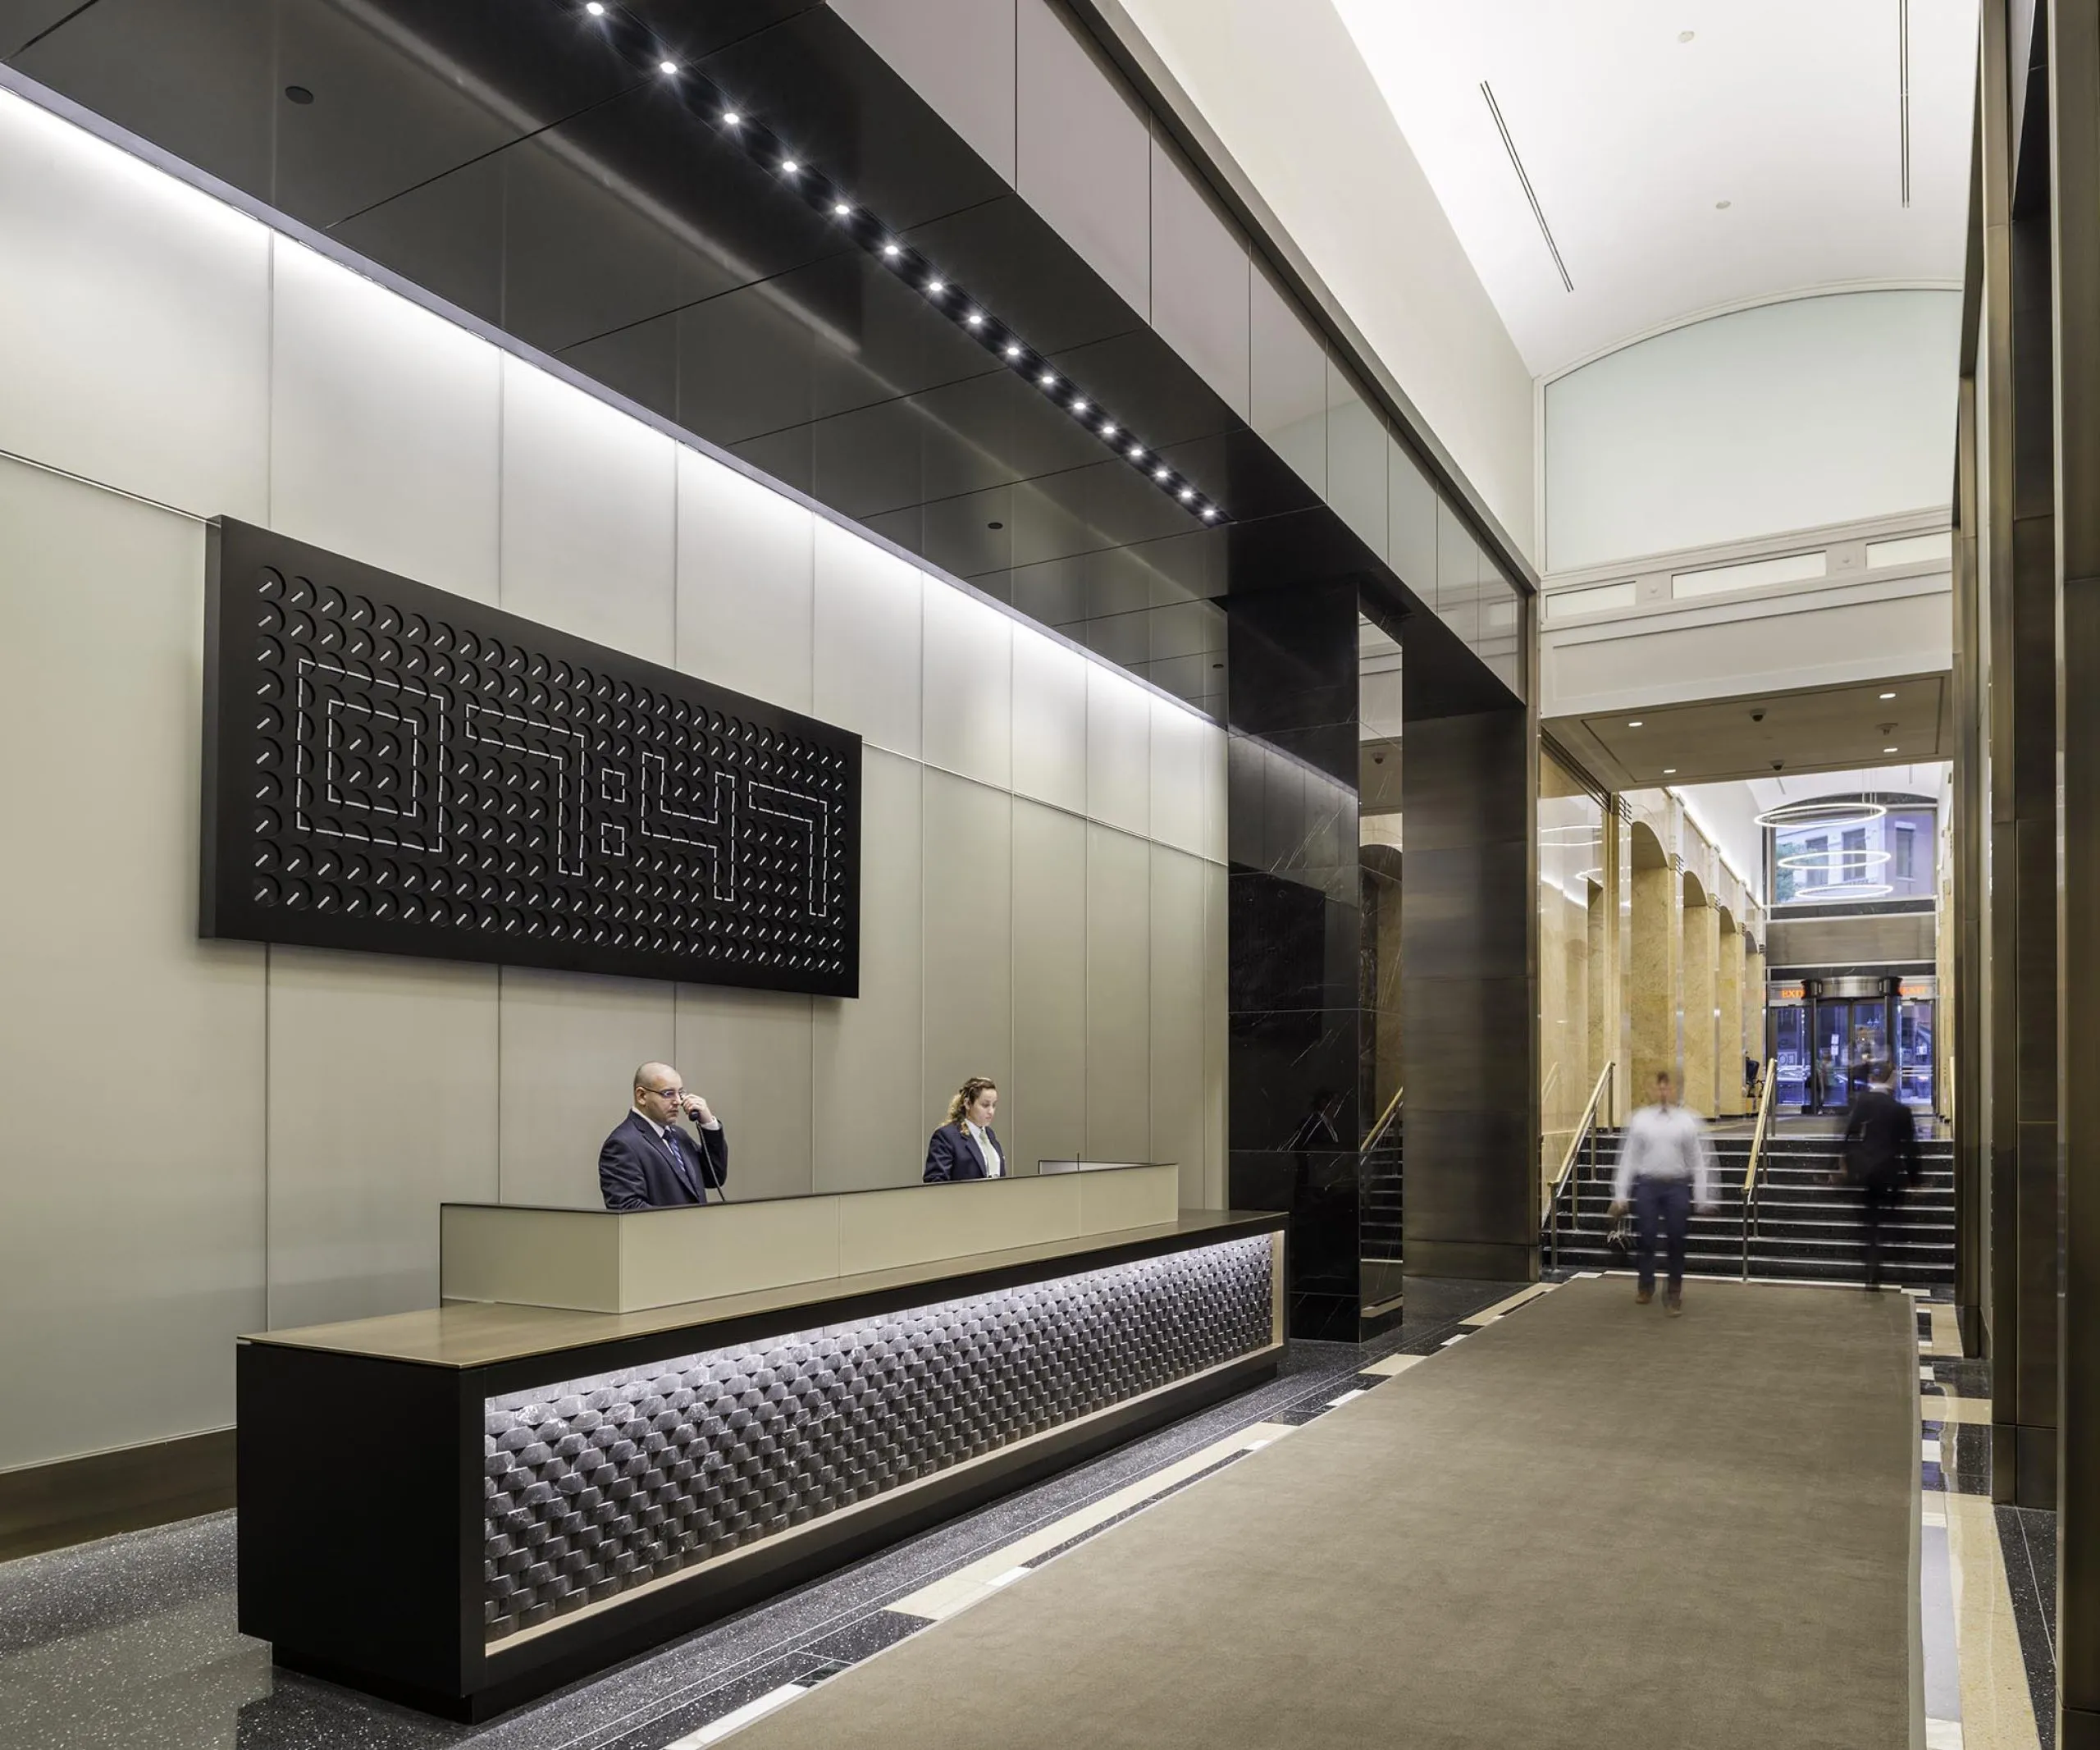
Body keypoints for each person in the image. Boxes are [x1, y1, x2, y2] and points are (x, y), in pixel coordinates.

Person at [1607, 1069, 1717, 1315]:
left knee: (1676, 1239)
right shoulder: (1639, 1119)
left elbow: (1700, 1160)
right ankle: (1646, 1284)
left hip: (1677, 1186)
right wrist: (1620, 1195)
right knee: (1646, 1236)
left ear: (1676, 1090)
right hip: (1648, 1185)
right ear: (1651, 1090)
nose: (1664, 1092)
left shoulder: (1689, 1120)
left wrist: (1703, 1197)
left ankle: (1674, 1292)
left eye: (1668, 1087)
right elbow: (1627, 1159)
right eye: (1659, 1087)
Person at [1837, 1062, 1921, 1290]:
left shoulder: (1863, 1104)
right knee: (1888, 1219)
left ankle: (1872, 1267)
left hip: (1866, 1173)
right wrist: (1915, 1179)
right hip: (1890, 1173)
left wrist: (1839, 1164)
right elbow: (1910, 1148)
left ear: (1873, 1080)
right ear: (1893, 1083)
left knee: (1870, 1222)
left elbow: (1848, 1135)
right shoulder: (1901, 1111)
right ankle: (1888, 1261)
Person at [598, 1062, 728, 1210]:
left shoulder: (678, 1135)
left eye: (680, 1093)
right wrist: (682, 1223)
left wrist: (708, 1123)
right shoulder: (622, 1144)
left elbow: (714, 1177)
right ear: (641, 1096)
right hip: (662, 1232)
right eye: (667, 1094)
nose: (678, 1102)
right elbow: (628, 1207)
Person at [924, 1076, 1007, 1181]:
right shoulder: (946, 1136)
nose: (991, 1111)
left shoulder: (990, 1135)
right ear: (968, 1104)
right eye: (985, 1105)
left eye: (994, 1105)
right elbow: (935, 1181)